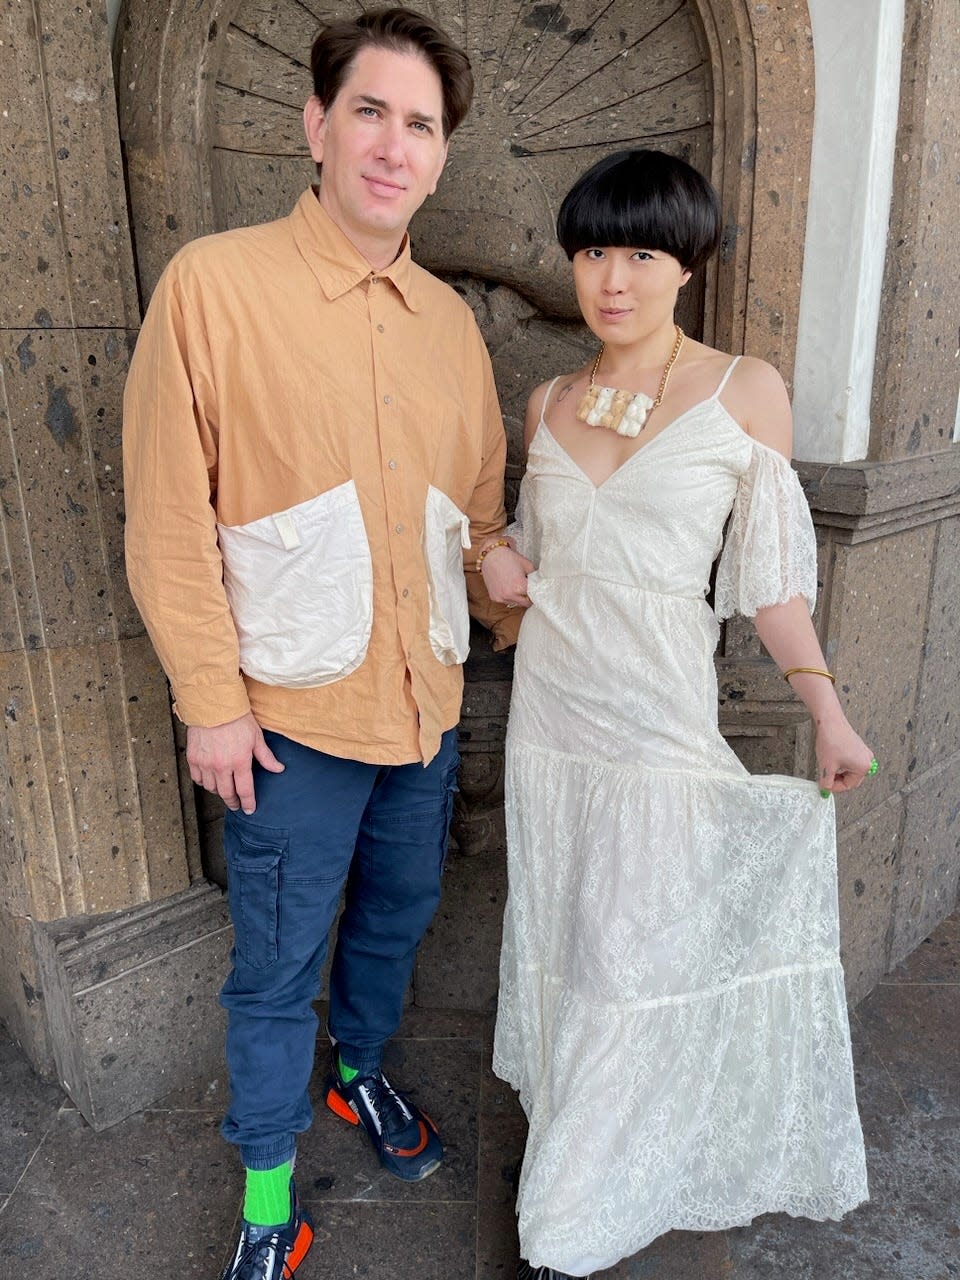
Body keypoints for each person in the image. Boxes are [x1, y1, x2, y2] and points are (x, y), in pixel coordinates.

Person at [123, 10, 515, 1279]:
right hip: (289, 718)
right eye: (371, 111)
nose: (394, 145)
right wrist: (210, 700)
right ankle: (268, 1191)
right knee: (274, 961)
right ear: (316, 123)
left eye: (421, 124)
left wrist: (514, 589)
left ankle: (359, 1073)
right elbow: (171, 510)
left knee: (396, 918)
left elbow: (477, 517)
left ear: (442, 155)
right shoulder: (213, 285)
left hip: (424, 705)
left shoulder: (450, 326)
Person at [479, 149, 875, 1280]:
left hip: (656, 723)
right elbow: (536, 553)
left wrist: (829, 714)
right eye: (595, 250)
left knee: (624, 952)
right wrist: (503, 564)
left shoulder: (744, 388)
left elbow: (772, 579)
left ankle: (570, 1214)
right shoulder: (547, 398)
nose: (613, 276)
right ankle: (582, 1144)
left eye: (641, 251)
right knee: (565, 935)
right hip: (554, 721)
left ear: (686, 263)